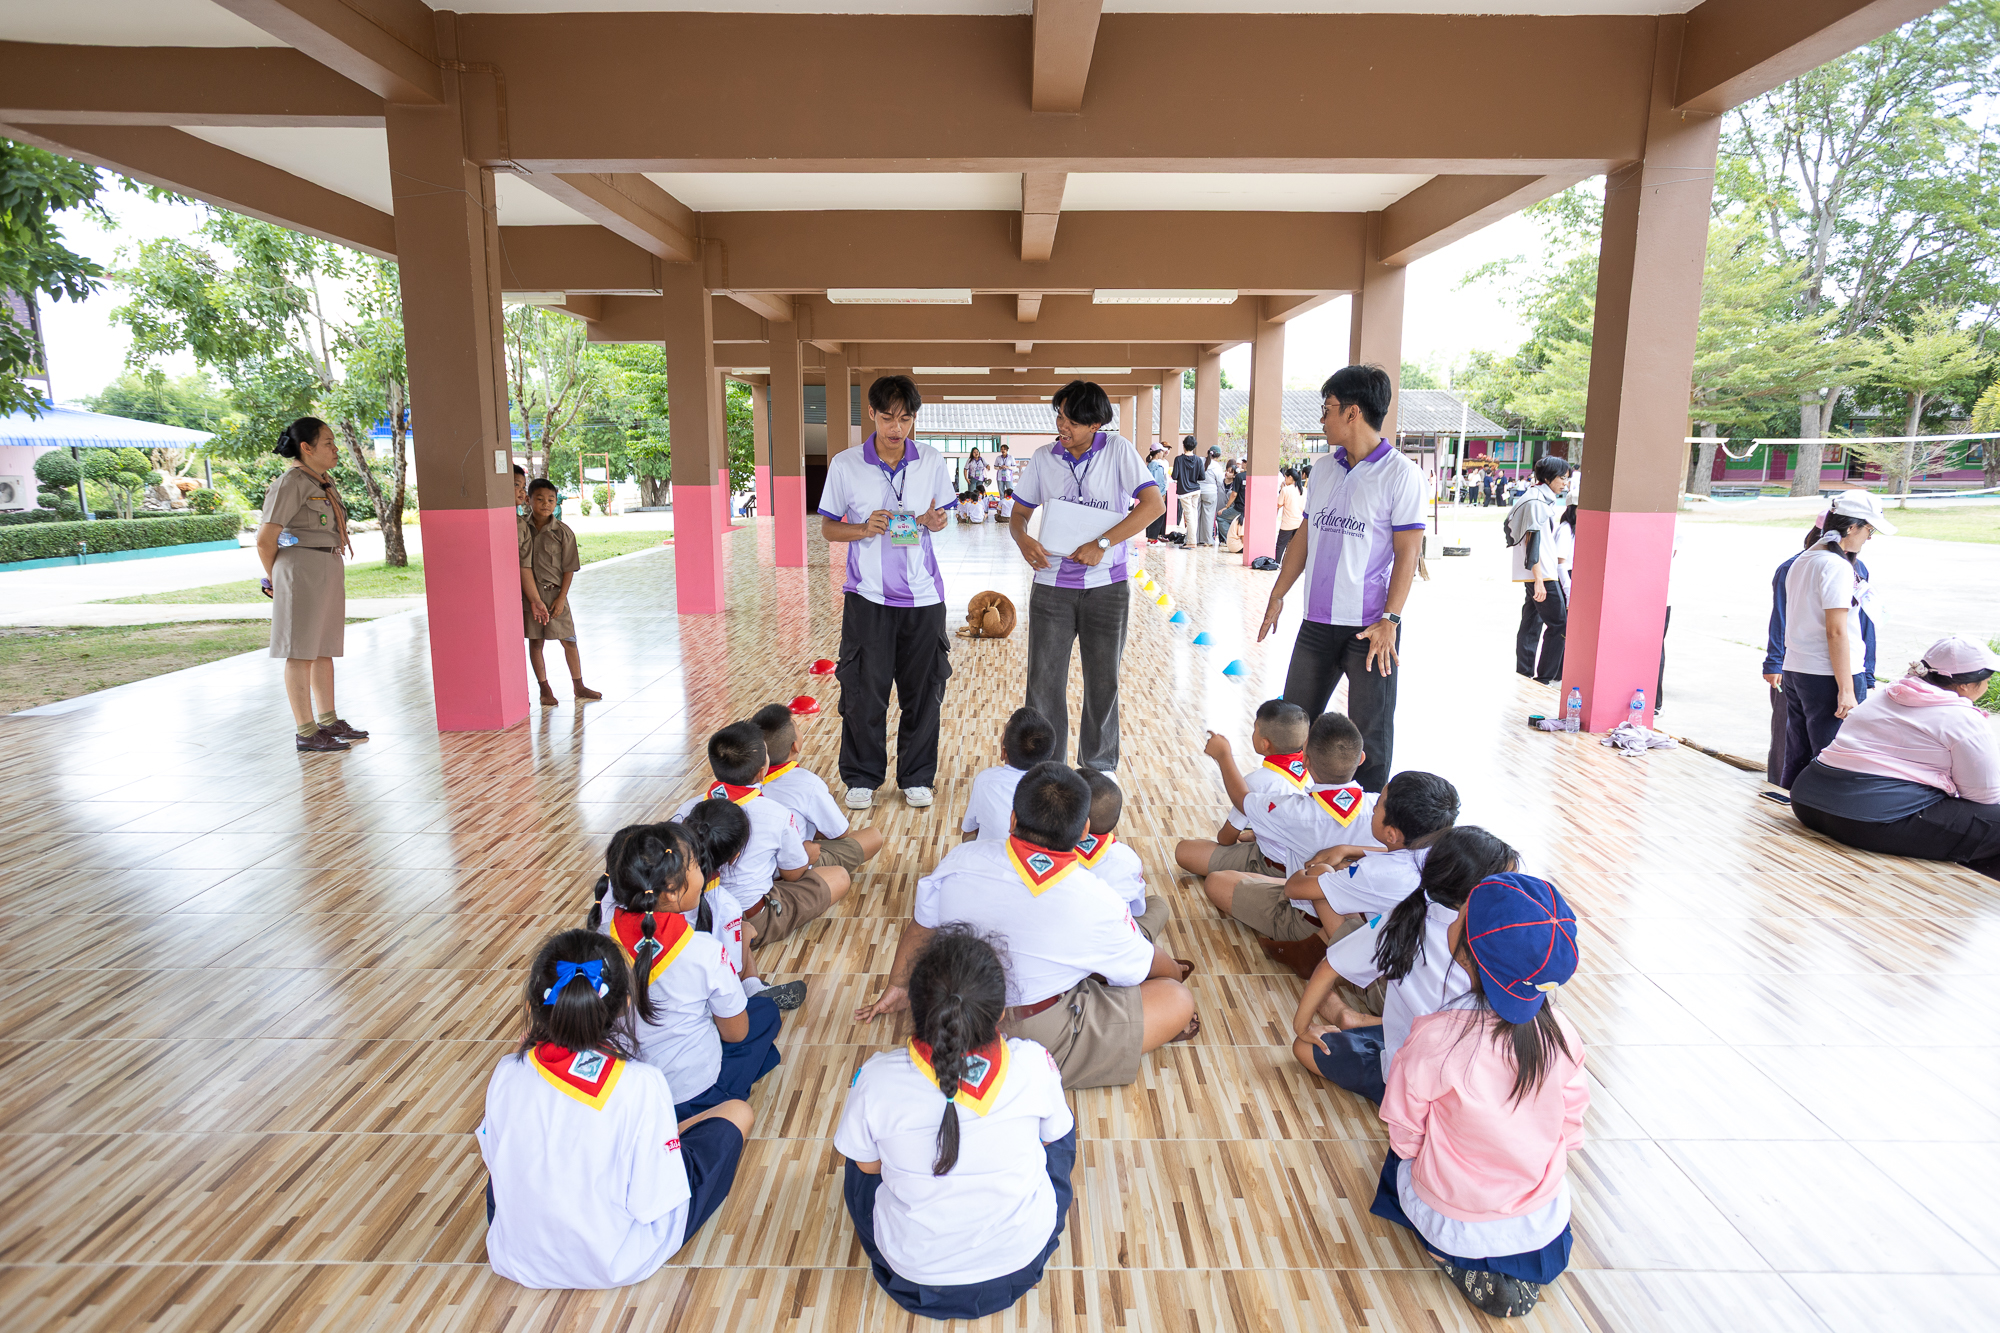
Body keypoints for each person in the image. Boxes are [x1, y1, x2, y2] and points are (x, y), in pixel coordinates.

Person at [856, 762, 1197, 1088]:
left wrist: (898, 985)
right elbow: (1145, 966)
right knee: (1177, 999)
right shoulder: (1096, 897)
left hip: (950, 1014)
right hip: (1033, 1030)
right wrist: (1175, 974)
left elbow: (922, 926)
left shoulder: (961, 859)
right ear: (1084, 831)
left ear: (1013, 818)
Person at [477, 928, 751, 1290]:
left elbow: (496, 1160)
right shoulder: (641, 1082)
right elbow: (655, 1199)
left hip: (515, 1255)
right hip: (617, 1260)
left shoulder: (505, 1073)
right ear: (625, 1006)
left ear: (532, 1007)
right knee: (737, 1114)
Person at [1369, 872, 1585, 1320]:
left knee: (1396, 1166)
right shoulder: (1562, 1035)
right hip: (1538, 1209)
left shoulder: (1435, 1037)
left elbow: (1405, 1131)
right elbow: (1571, 1122)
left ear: (1466, 952)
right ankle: (1512, 1264)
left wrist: (1415, 1161)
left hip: (1459, 1211)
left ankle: (1455, 1256)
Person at [836, 927, 1076, 1320]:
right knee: (1059, 1130)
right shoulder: (1034, 1063)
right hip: (1022, 1265)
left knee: (857, 1152)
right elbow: (1053, 1142)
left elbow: (869, 1168)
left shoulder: (876, 1079)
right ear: (1001, 1011)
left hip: (913, 1281)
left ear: (915, 1008)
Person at [1259, 366, 1423, 793]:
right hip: (1316, 623)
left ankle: (1365, 818)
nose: (1322, 418)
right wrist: (1278, 593)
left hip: (1370, 629)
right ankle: (1281, 808)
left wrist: (1390, 619)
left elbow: (1408, 553)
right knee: (1291, 725)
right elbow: (1305, 535)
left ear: (1353, 413)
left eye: (1327, 408)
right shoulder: (1323, 470)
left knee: (1370, 734)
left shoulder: (1401, 474)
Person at [1291, 825, 1516, 1105]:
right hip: (1480, 1073)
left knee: (1304, 1047)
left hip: (1416, 1075)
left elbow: (1329, 967)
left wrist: (1302, 1027)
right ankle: (1356, 1021)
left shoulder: (1404, 918)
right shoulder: (1505, 935)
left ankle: (1354, 1022)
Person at [1010, 380, 1166, 772]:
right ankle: (1046, 768)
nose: (1062, 426)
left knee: (1103, 681)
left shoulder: (1118, 451)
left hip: (1107, 587)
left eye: (1072, 421)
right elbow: (1019, 514)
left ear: (1095, 424)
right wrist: (1022, 539)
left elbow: (1153, 505)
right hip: (1051, 588)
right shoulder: (1043, 458)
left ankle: (1099, 768)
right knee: (1043, 683)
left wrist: (1103, 543)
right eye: (1060, 416)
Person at [818, 375, 958, 811]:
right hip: (868, 597)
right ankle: (862, 777)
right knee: (863, 691)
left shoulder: (931, 460)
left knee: (924, 691)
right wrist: (862, 528)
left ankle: (917, 777)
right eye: (887, 418)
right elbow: (828, 527)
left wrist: (935, 522)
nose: (897, 428)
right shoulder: (845, 465)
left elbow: (941, 517)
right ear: (872, 415)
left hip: (923, 599)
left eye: (906, 418)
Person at [587, 823, 783, 1120]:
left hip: (628, 1091)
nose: (701, 871)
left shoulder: (596, 941)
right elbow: (736, 1033)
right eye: (694, 865)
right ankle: (707, 1114)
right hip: (694, 1092)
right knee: (765, 1013)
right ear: (672, 890)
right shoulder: (703, 950)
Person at [1790, 635, 2000, 875]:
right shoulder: (1963, 719)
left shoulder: (1887, 694)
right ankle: (1964, 892)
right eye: (1986, 681)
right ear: (1965, 685)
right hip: (1867, 819)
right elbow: (1984, 796)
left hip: (1808, 801)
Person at [1192, 712, 1383, 967]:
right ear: (1361, 758)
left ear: (1305, 760)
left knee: (1216, 882)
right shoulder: (1379, 808)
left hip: (1305, 919)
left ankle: (1319, 944)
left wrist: (1224, 755)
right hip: (1361, 917)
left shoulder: (1296, 812)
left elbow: (1242, 800)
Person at [671, 722, 849, 963]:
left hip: (693, 917)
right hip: (752, 918)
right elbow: (793, 875)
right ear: (763, 769)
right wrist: (808, 854)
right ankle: (744, 939)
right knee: (839, 876)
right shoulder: (773, 813)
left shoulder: (687, 809)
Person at [258, 416, 366, 753]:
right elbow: (265, 539)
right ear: (306, 448)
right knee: (300, 650)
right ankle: (306, 731)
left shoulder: (321, 481)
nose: (335, 449)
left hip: (326, 563)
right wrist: (276, 578)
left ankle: (328, 720)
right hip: (300, 567)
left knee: (323, 647)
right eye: (328, 443)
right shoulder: (290, 483)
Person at [1779, 491, 1894, 787]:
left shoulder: (1805, 559)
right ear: (1852, 527)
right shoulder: (1836, 565)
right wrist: (1846, 689)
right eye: (1869, 530)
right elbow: (1836, 631)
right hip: (1829, 675)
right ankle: (1823, 813)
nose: (1869, 538)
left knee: (1799, 753)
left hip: (1798, 669)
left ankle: (1786, 807)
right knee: (1835, 759)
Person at [1173, 699, 1311, 881]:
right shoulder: (1314, 772)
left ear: (1265, 744)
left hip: (1273, 865)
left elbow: (1226, 838)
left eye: (1255, 729)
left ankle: (1265, 881)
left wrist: (1223, 755)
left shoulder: (1257, 783)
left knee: (1184, 851)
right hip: (1309, 864)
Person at [750, 702, 884, 878]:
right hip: (791, 867)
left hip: (755, 867)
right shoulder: (807, 782)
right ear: (795, 746)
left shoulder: (743, 780)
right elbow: (839, 832)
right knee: (873, 837)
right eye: (798, 728)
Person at [521, 478, 602, 706]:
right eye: (539, 499)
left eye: (551, 500)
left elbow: (569, 568)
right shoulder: (521, 529)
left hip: (555, 596)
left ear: (556, 502)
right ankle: (544, 688)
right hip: (531, 597)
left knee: (569, 641)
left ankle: (579, 685)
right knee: (536, 643)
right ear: (528, 500)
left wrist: (561, 598)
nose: (546, 504)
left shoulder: (563, 532)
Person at [1507, 457, 1574, 687]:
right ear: (1547, 477)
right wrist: (1538, 580)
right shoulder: (1535, 501)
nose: (1565, 483)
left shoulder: (1536, 497)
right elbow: (1531, 541)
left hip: (1538, 573)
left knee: (1531, 622)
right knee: (1559, 624)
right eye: (1562, 478)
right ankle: (1544, 678)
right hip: (1542, 574)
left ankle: (1524, 672)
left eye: (1567, 478)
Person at [1076, 767, 1163, 938]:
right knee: (1159, 905)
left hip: (1060, 937)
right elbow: (1138, 909)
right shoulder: (1127, 859)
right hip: (1111, 942)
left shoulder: (1045, 847)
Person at [962, 707, 1058, 843]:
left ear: (1003, 753)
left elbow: (969, 830)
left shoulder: (985, 781)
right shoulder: (1059, 789)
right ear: (1049, 755)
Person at [1171, 437, 1210, 545]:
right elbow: (1202, 477)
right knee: (1193, 515)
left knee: (1189, 516)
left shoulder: (1178, 459)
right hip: (1195, 490)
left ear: (1183, 445)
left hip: (1184, 491)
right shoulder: (1198, 460)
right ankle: (1192, 540)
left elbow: (1174, 476)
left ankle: (1192, 541)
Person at [1275, 466, 1304, 562]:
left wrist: (1282, 489)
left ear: (1290, 477)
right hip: (1300, 522)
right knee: (1293, 547)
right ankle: (1289, 564)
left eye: (1286, 477)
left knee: (1280, 546)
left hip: (1288, 523)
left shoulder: (1286, 490)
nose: (1285, 479)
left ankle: (1276, 563)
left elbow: (1278, 504)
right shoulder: (1304, 490)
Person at [1145, 446, 1170, 543]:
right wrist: (1163, 494)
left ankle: (1150, 537)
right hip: (1158, 494)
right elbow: (1160, 482)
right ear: (1158, 452)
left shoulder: (1149, 465)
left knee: (1150, 515)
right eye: (1162, 451)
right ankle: (1153, 539)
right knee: (1158, 515)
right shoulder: (1158, 466)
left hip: (1149, 493)